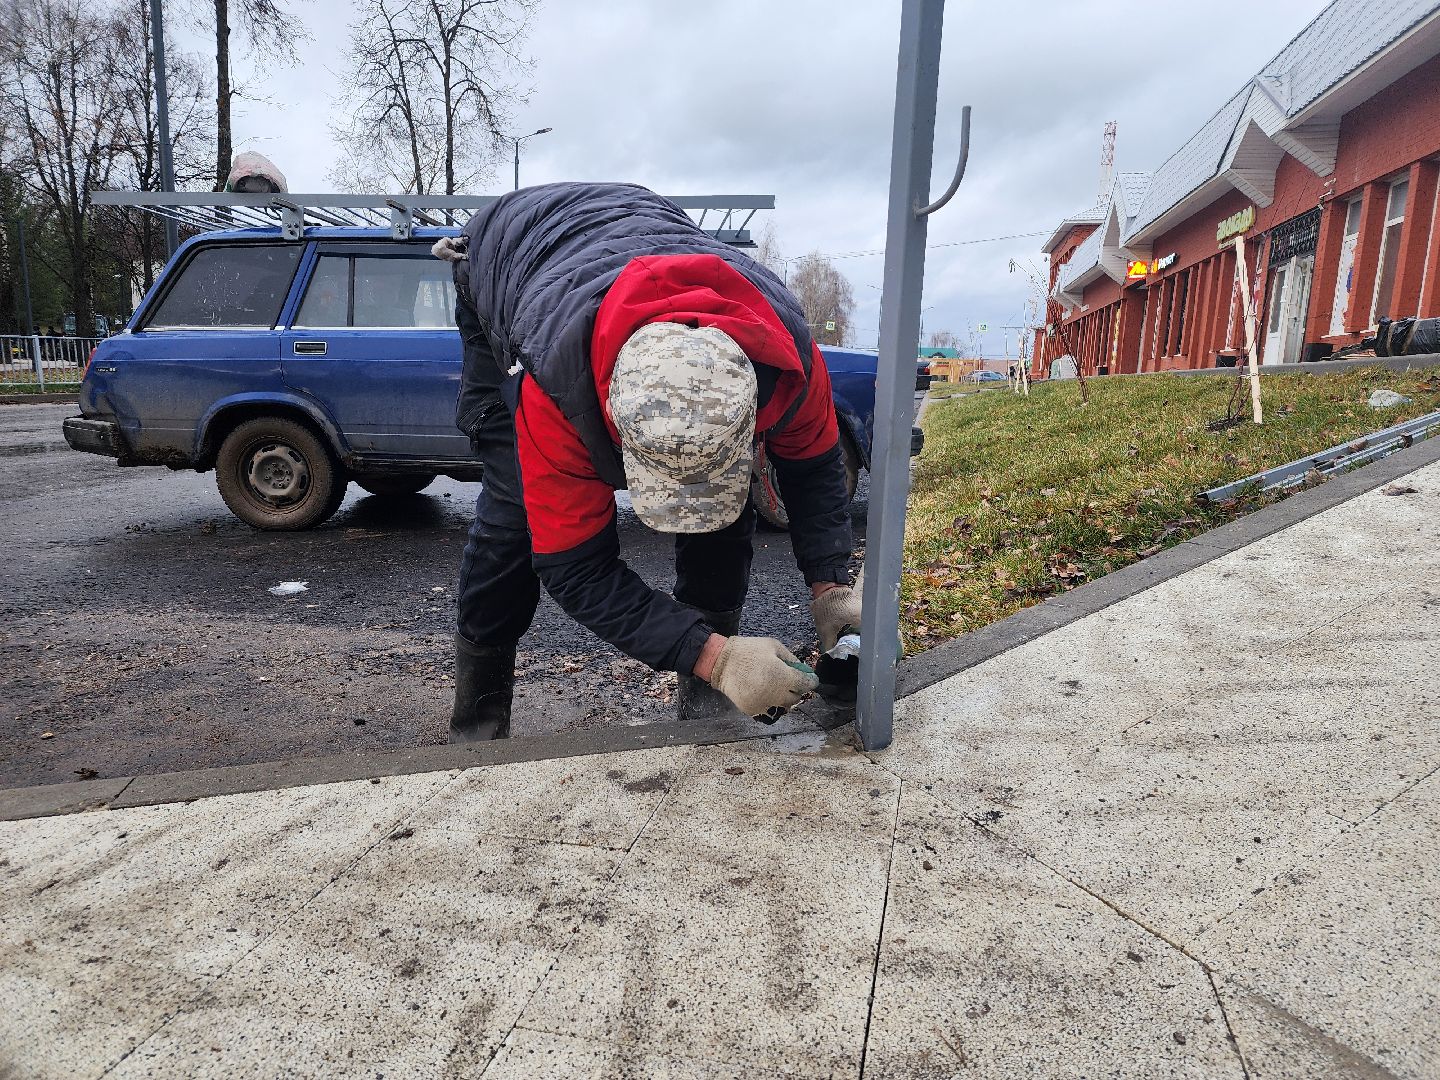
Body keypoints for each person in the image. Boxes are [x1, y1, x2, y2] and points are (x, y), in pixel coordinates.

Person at [434, 182, 862, 742]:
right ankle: (477, 728)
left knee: (723, 518)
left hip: (624, 234)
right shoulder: (556, 390)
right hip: (505, 255)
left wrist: (831, 587)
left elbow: (814, 474)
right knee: (512, 523)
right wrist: (715, 658)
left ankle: (706, 716)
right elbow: (576, 568)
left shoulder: (788, 361)